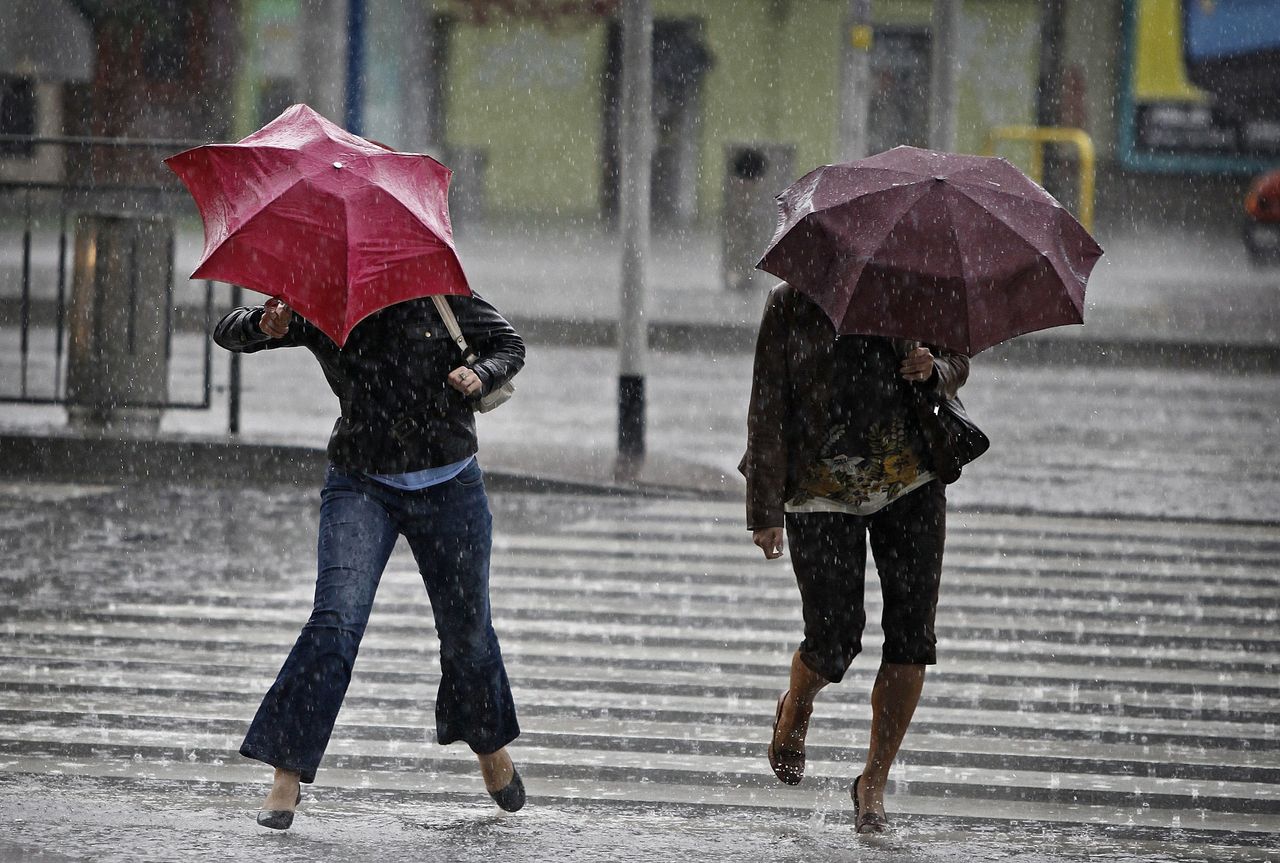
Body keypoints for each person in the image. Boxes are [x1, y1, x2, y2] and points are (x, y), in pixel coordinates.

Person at [214, 290, 526, 829]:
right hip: (361, 483)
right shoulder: (325, 301)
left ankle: (489, 748)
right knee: (335, 622)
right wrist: (264, 324)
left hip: (450, 483)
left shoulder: (440, 294)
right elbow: (228, 331)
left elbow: (508, 344)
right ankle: (285, 776)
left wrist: (484, 373)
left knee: (467, 632)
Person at [739, 282, 969, 834]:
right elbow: (768, 402)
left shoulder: (922, 285)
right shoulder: (793, 300)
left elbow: (958, 358)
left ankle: (873, 783)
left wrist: (933, 367)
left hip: (911, 482)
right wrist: (765, 508)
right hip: (819, 491)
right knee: (833, 640)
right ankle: (796, 704)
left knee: (913, 636)